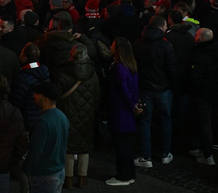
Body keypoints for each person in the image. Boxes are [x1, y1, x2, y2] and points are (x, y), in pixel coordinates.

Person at [52, 43, 99, 188]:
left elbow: (58, 93)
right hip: (87, 114)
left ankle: (68, 178)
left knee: (69, 146)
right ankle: (82, 178)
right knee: (84, 145)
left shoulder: (64, 70)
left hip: (67, 111)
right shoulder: (93, 72)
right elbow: (97, 94)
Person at [133, 14, 177, 168]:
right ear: (161, 26)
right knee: (165, 119)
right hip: (163, 89)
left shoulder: (138, 43)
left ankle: (146, 156)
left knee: (145, 120)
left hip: (145, 88)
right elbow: (171, 69)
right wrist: (173, 85)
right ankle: (165, 154)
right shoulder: (165, 44)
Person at [187, 27, 218, 165]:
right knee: (210, 120)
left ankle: (208, 154)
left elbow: (195, 77)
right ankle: (205, 148)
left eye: (197, 35)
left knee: (204, 122)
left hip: (204, 93)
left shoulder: (200, 54)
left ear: (201, 38)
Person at [23, 81, 69, 193]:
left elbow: (35, 150)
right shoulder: (62, 117)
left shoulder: (43, 122)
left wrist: (26, 168)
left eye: (37, 94)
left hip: (44, 175)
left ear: (45, 99)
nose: (34, 95)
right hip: (59, 171)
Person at [106, 38, 139, 186]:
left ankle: (123, 176)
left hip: (120, 111)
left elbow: (123, 90)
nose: (110, 47)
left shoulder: (119, 68)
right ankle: (129, 174)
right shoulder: (131, 66)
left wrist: (131, 105)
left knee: (121, 146)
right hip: (127, 111)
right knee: (126, 145)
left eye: (113, 46)